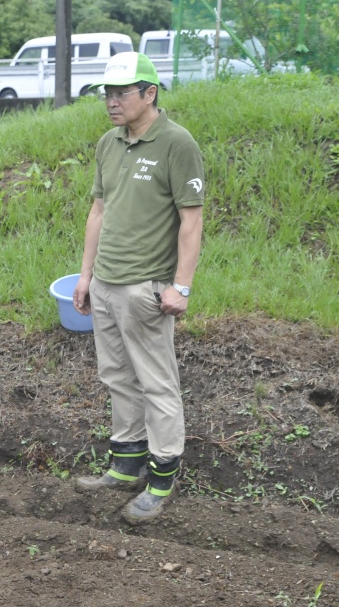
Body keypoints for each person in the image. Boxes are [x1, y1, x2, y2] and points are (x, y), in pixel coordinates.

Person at [70, 52, 204, 524]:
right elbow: (99, 211)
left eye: (121, 93)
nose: (111, 102)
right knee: (116, 375)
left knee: (156, 381)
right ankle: (125, 465)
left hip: (144, 288)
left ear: (150, 93)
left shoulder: (176, 143)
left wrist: (181, 287)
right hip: (106, 283)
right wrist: (86, 275)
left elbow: (191, 220)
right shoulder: (109, 143)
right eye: (106, 94)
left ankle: (162, 477)